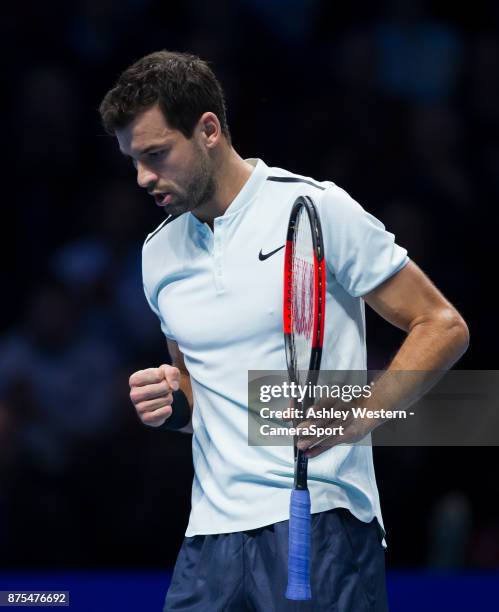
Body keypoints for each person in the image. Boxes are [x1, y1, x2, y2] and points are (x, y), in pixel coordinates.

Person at [99, 50, 469, 611]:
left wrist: (364, 409)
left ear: (208, 130)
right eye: (133, 160)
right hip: (208, 539)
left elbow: (442, 325)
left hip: (321, 523)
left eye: (156, 154)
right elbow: (198, 399)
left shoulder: (317, 207)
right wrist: (170, 405)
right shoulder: (157, 255)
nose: (144, 177)